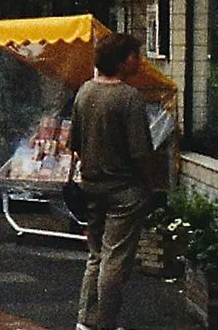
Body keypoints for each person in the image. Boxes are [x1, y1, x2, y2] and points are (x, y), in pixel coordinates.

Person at [69, 31, 167, 330]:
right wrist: (151, 184)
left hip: (91, 185)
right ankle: (105, 323)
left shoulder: (85, 92)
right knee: (115, 259)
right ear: (123, 61)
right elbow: (140, 151)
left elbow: (75, 143)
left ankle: (86, 321)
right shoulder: (128, 97)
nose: (139, 61)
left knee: (96, 255)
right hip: (124, 190)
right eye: (135, 56)